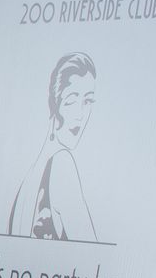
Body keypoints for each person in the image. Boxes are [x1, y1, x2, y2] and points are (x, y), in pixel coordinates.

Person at [7, 52, 98, 241]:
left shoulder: (31, 174)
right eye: (71, 99)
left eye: (88, 101)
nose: (81, 115)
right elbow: (92, 254)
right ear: (55, 103)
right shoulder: (61, 164)